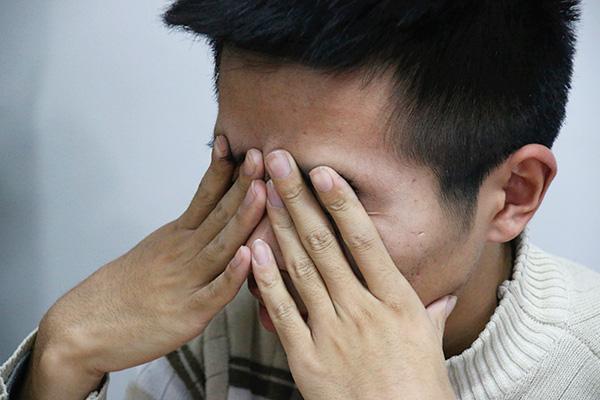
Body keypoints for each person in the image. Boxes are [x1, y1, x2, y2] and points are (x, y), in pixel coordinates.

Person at [2, 0, 599, 399]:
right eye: (239, 170)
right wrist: (63, 354)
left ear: (513, 195)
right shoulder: (215, 327)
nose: (258, 248)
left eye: (325, 195)